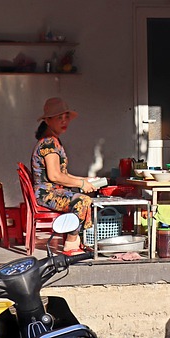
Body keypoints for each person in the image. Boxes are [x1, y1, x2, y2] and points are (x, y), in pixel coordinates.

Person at [32, 97, 99, 256]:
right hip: (46, 194)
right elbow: (54, 176)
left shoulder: (55, 141)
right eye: (59, 118)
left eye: (66, 117)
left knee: (83, 196)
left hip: (55, 191)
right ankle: (70, 244)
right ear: (48, 121)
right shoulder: (48, 143)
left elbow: (63, 174)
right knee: (82, 200)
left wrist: (85, 180)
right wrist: (81, 184)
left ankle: (79, 241)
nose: (64, 121)